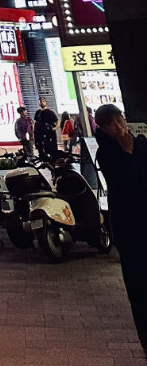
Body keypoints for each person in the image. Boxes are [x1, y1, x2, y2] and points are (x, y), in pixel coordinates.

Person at [96, 103, 147, 354]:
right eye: (111, 124)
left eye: (120, 121)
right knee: (140, 290)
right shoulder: (106, 153)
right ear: (103, 129)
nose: (118, 127)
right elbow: (124, 186)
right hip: (130, 231)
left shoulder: (142, 144)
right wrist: (126, 153)